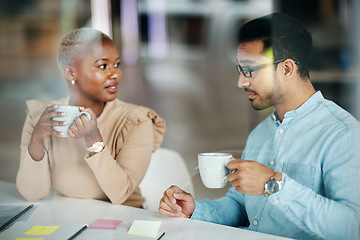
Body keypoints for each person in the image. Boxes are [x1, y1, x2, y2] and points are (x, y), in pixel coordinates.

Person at [158, 13, 360, 240]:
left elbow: (351, 227)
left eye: (250, 70)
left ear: (286, 69)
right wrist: (194, 209)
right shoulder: (260, 133)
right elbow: (242, 206)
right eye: (240, 70)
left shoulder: (343, 135)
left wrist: (272, 184)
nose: (241, 82)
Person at [16, 28, 165, 208]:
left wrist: (94, 140)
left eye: (117, 64)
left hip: (124, 221)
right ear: (71, 73)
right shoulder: (41, 118)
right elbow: (31, 194)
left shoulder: (136, 121)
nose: (115, 74)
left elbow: (120, 193)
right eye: (103, 66)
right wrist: (37, 139)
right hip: (70, 220)